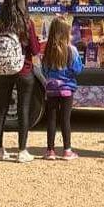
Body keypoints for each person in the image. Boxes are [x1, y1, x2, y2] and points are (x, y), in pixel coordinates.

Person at [0, 0, 41, 163]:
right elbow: (34, 50)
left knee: (1, 110)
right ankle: (22, 151)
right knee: (23, 110)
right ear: (22, 1)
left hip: (1, 71)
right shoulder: (26, 23)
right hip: (23, 70)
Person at [39, 15, 83, 160]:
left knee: (51, 119)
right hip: (67, 90)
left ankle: (50, 151)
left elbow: (44, 70)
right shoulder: (72, 50)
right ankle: (67, 151)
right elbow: (77, 70)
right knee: (65, 120)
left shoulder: (47, 50)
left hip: (51, 90)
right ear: (66, 32)